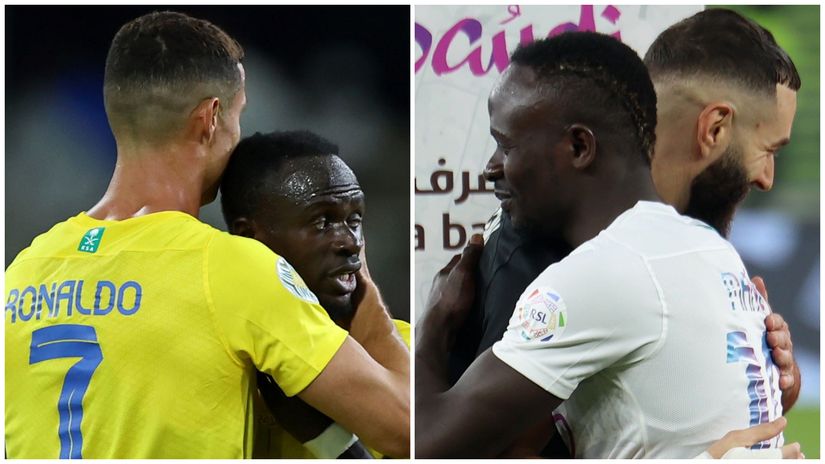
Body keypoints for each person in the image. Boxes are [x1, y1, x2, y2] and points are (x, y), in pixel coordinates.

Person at [5, 12, 409, 459]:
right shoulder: (228, 269)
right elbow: (407, 432)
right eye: (238, 116)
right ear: (210, 118)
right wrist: (367, 292)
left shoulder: (22, 274)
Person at [416, 31, 798, 458]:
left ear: (580, 146)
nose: (491, 168)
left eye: (506, 145)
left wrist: (433, 326)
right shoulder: (710, 247)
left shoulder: (599, 274)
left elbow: (429, 445)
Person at [219, 130, 410, 458]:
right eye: (322, 222)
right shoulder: (220, 353)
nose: (350, 242)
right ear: (249, 236)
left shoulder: (403, 351)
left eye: (354, 219)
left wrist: (331, 442)